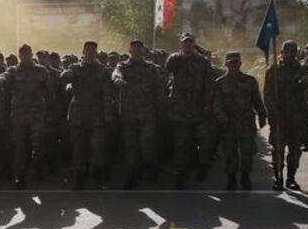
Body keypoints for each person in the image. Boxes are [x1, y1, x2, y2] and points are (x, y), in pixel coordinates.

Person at [0, 44, 55, 189]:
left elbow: (50, 93)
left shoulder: (41, 71)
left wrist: (50, 110)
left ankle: (38, 165)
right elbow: (5, 76)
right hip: (19, 115)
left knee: (38, 143)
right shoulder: (14, 71)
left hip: (36, 114)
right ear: (19, 55)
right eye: (22, 53)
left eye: (27, 53)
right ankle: (20, 176)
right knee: (20, 147)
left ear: (31, 54)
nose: (25, 56)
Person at [60, 41, 113, 190]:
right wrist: (67, 75)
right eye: (87, 50)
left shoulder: (103, 71)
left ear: (96, 53)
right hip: (78, 115)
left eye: (93, 50)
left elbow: (107, 95)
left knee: (97, 147)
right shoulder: (75, 68)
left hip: (97, 115)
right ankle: (80, 176)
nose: (90, 52)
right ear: (83, 52)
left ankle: (96, 172)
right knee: (79, 148)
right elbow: (64, 78)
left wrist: (108, 116)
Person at [112, 39, 164, 189]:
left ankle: (150, 169)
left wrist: (161, 110)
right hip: (129, 113)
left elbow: (159, 90)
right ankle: (132, 173)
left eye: (139, 48)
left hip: (148, 113)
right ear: (129, 50)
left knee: (147, 144)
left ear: (143, 51)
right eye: (133, 47)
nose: (136, 50)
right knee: (131, 145)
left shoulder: (151, 68)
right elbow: (116, 74)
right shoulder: (123, 65)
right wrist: (119, 80)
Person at [165, 32, 214, 188]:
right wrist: (182, 57)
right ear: (181, 44)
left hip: (198, 107)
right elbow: (168, 67)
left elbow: (208, 83)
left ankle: (202, 166)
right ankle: (181, 172)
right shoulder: (175, 59)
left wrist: (207, 103)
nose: (187, 45)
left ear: (194, 44)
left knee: (203, 139)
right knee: (181, 142)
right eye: (185, 42)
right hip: (180, 108)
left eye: (190, 42)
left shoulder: (202, 61)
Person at [212, 52, 267, 191]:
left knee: (247, 152)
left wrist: (262, 115)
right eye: (230, 63)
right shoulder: (220, 83)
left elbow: (257, 101)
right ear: (226, 64)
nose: (233, 65)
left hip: (246, 122)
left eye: (236, 62)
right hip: (228, 124)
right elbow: (216, 103)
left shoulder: (250, 81)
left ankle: (245, 176)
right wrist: (220, 115)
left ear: (240, 64)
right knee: (230, 153)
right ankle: (231, 178)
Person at [264, 41, 308, 190]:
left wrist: (305, 83)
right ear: (282, 52)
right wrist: (273, 109)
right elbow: (268, 93)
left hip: (297, 116)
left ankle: (291, 177)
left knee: (295, 150)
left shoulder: (301, 68)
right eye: (287, 51)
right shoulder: (273, 69)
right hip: (279, 116)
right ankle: (278, 177)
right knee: (278, 150)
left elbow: (307, 90)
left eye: (293, 51)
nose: (290, 54)